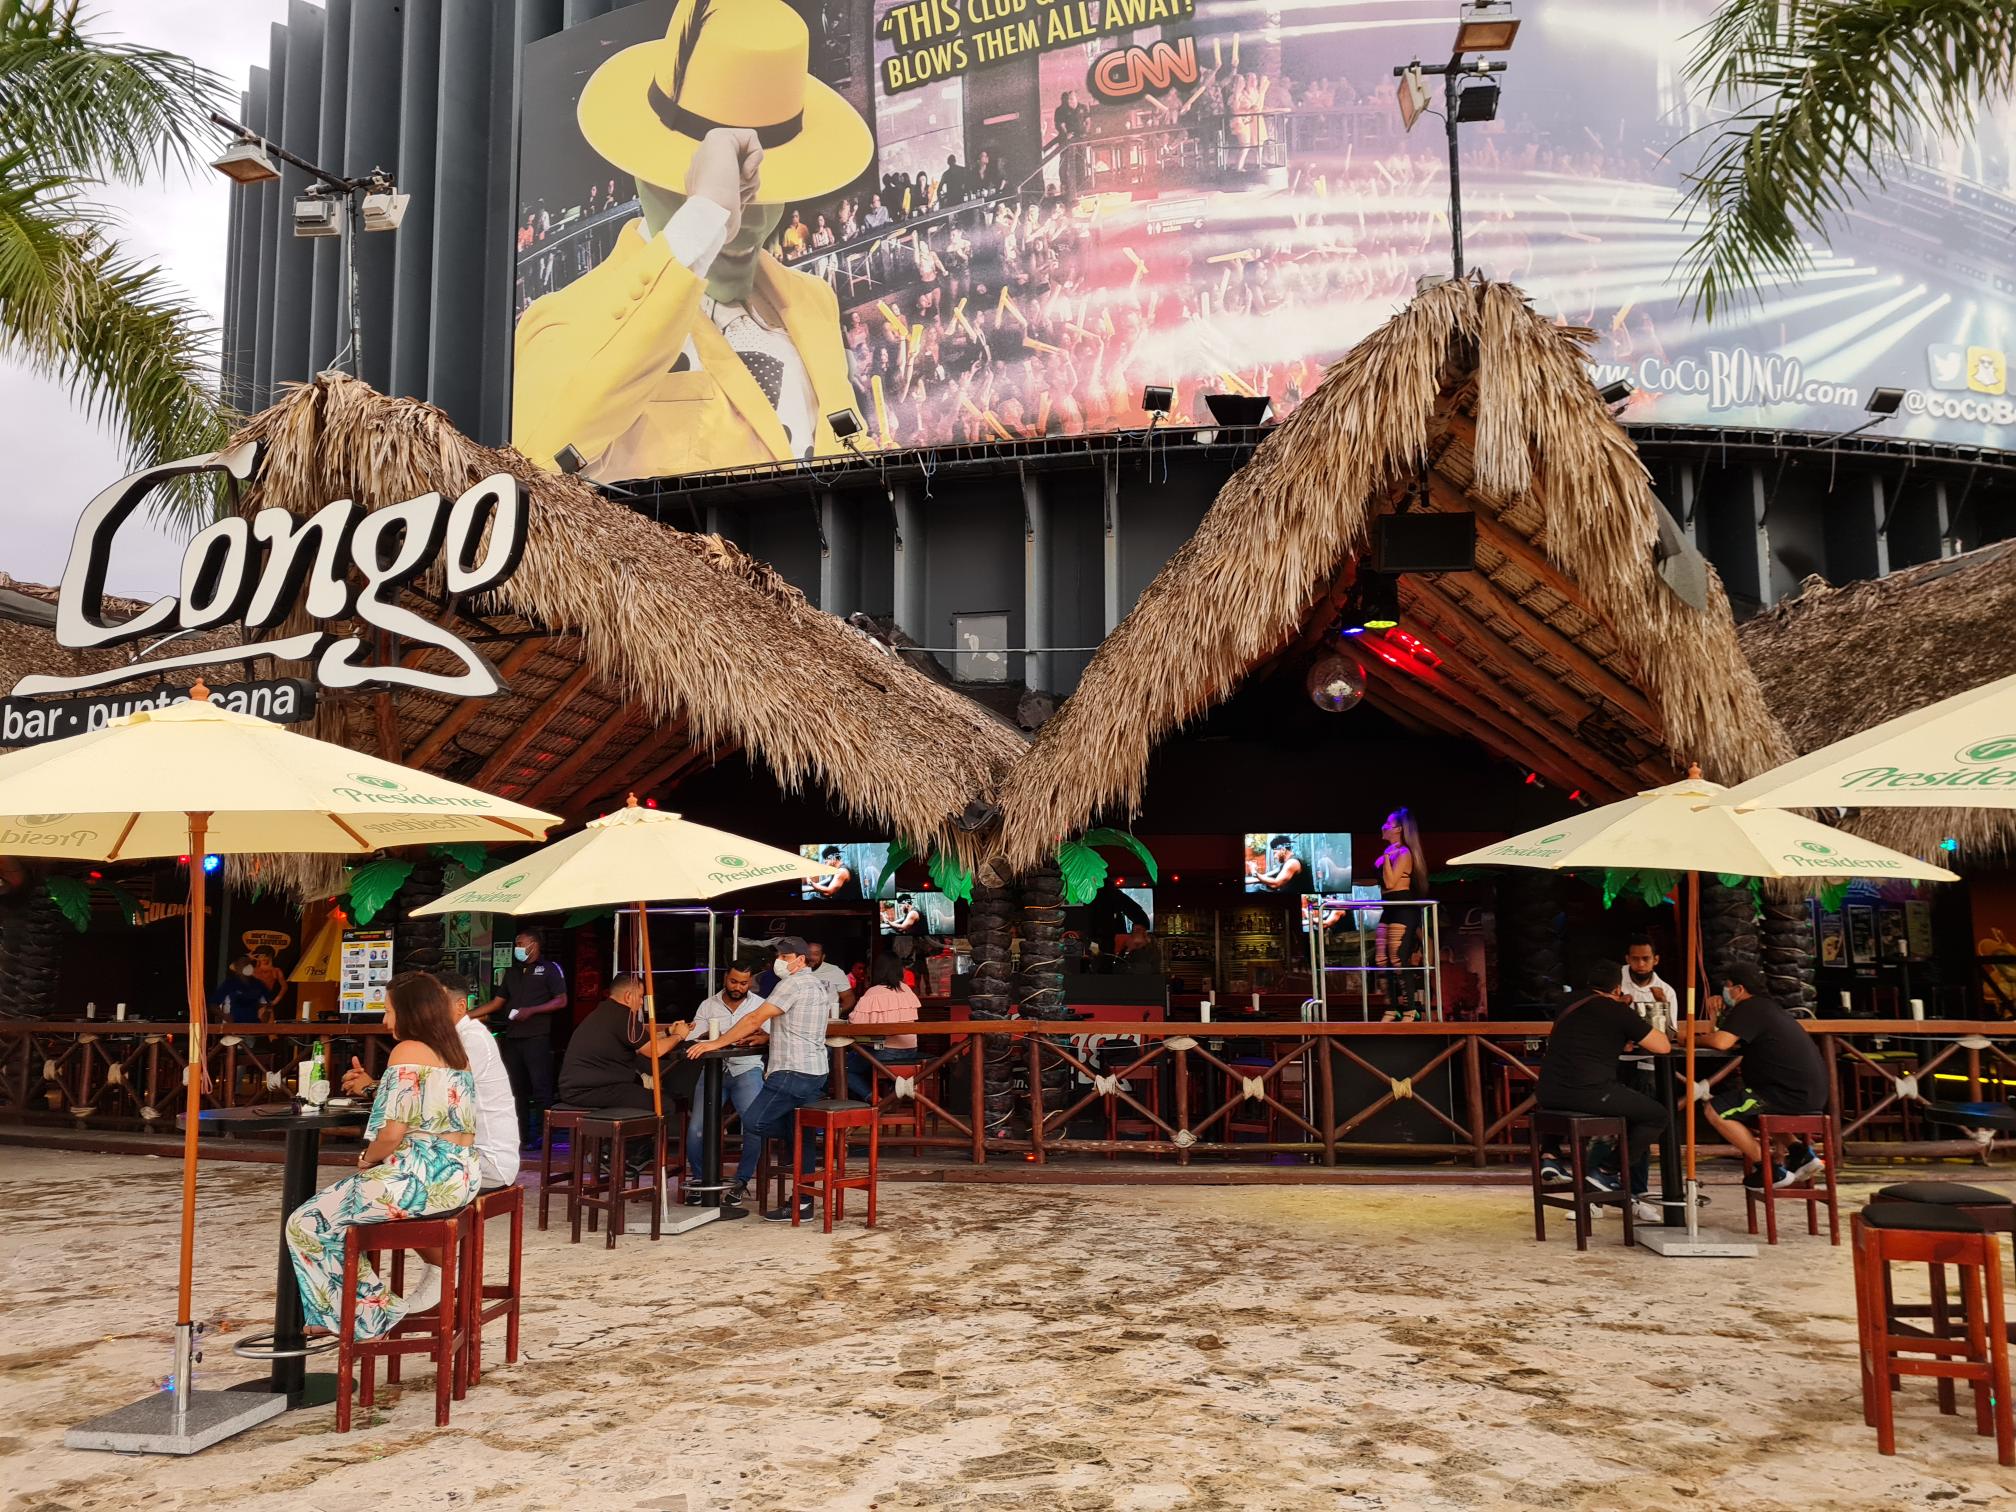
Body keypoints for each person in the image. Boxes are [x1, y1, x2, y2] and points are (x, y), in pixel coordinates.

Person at [511, 0, 873, 480]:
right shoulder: (561, 321)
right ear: (642, 172)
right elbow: (534, 461)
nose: (741, 216)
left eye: (765, 187)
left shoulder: (814, 302)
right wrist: (701, 219)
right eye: (714, 185)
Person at [286, 972, 478, 1340]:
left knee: (305, 1222)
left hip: (419, 1179)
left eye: (389, 1011)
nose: (385, 1021)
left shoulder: (408, 1051)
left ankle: (371, 1315)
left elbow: (391, 1133)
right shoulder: (456, 1054)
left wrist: (368, 1158)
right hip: (460, 1175)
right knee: (336, 1218)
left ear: (410, 1012)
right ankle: (346, 1312)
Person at [685, 935, 832, 1217]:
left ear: (801, 960)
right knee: (801, 1132)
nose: (779, 962)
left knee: (754, 1122)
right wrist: (766, 1038)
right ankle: (803, 1203)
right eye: (778, 956)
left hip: (790, 1071)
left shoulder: (791, 984)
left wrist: (718, 1042)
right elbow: (796, 1026)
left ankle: (797, 1134)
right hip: (815, 1071)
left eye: (785, 957)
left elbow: (755, 1018)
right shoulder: (817, 984)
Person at [343, 971, 520, 1195]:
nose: (430, 1011)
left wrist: (370, 1088)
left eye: (436, 1004)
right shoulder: (444, 1046)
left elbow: (425, 1106)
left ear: (460, 1006)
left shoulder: (469, 1039)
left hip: (482, 1161)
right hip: (456, 1160)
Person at [1534, 959, 1672, 1219]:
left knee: (1617, 1106)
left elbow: (1589, 1034)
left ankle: (1550, 1156)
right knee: (1656, 1115)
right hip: (1588, 1093)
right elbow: (1662, 1046)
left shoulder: (1567, 1002)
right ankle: (1606, 1173)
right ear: (1617, 988)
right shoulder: (1617, 1011)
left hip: (1547, 1092)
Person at [1694, 961, 1831, 1187]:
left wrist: (1690, 1038)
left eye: (1727, 986)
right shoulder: (1766, 1007)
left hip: (1786, 1094)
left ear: (1739, 989)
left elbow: (1721, 1042)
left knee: (1716, 1110)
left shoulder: (1749, 1007)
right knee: (1752, 1109)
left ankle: (1769, 1170)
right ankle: (1801, 1154)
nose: (1724, 992)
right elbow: (1726, 1035)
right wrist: (1714, 1016)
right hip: (1807, 1093)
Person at [669, 962, 769, 1192]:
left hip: (747, 1068)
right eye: (733, 981)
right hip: (713, 1069)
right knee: (697, 1130)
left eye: (743, 983)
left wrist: (764, 1037)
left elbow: (773, 1034)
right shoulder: (708, 1005)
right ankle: (701, 1182)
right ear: (725, 978)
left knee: (755, 1125)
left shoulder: (760, 1006)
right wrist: (706, 1034)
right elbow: (691, 1036)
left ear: (749, 983)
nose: (738, 987)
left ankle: (740, 1182)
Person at [472, 931, 568, 1148]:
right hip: (513, 1036)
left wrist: (532, 1010)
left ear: (534, 944)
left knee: (541, 1088)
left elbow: (561, 1001)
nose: (517, 947)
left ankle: (544, 1136)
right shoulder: (512, 972)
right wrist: (467, 1015)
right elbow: (497, 1003)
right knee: (516, 1089)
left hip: (537, 1036)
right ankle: (521, 1136)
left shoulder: (550, 969)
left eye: (521, 943)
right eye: (516, 943)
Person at [557, 972, 692, 1114]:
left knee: (640, 1083)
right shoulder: (623, 1017)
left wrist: (667, 1032)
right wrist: (679, 1035)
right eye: (640, 997)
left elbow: (641, 1042)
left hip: (579, 1086)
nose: (641, 1002)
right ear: (628, 996)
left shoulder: (607, 1011)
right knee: (665, 1104)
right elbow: (654, 1050)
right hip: (589, 1089)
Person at [845, 955, 920, 1102]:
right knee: (862, 1059)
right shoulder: (906, 990)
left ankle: (876, 1100)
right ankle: (892, 1095)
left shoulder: (874, 992)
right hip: (910, 1051)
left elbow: (854, 1023)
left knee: (844, 1068)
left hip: (885, 1052)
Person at [1375, 809, 1426, 1017]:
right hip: (1388, 907)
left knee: (1397, 958)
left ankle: (1410, 1009)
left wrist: (1387, 858)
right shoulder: (1387, 853)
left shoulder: (1403, 853)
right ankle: (1391, 1007)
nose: (1384, 827)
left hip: (1403, 907)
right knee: (1381, 959)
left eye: (1388, 824)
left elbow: (1390, 882)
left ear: (1399, 829)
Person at [1619, 935, 1678, 1028]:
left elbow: (1671, 1032)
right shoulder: (1613, 979)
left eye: (1646, 958)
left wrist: (1663, 1005)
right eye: (1635, 959)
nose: (1641, 964)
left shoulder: (1667, 992)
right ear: (1628, 959)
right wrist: (1616, 1005)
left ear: (1656, 960)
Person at [1086, 878, 1150, 953]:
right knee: (1097, 954)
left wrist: (1139, 931)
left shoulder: (1109, 892)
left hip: (1103, 939)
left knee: (1098, 955)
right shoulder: (1108, 892)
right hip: (1095, 939)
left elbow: (1136, 912)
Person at [210, 955, 271, 1025]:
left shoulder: (258, 984)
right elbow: (213, 1004)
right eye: (243, 963)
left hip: (254, 1026)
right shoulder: (229, 984)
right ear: (237, 967)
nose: (246, 966)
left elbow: (268, 1003)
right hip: (234, 1026)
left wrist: (266, 1014)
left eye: (248, 963)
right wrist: (225, 1016)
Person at [806, 941, 856, 1014]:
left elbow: (849, 998)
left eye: (816, 954)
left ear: (823, 957)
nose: (811, 957)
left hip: (827, 1019)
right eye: (808, 953)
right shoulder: (795, 970)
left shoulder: (835, 971)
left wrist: (835, 1012)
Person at [250, 947, 291, 1019]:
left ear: (270, 957)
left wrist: (276, 1000)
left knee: (268, 1023)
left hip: (266, 1003)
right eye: (261, 956)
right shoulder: (253, 970)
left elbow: (284, 986)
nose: (263, 958)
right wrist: (249, 958)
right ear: (257, 957)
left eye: (266, 956)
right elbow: (233, 967)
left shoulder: (276, 970)